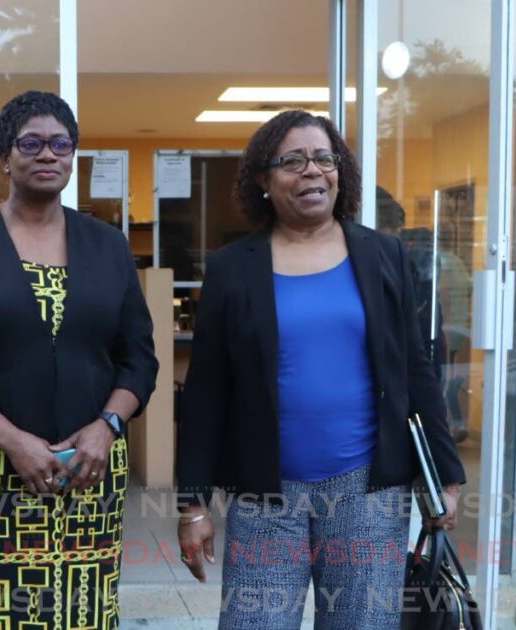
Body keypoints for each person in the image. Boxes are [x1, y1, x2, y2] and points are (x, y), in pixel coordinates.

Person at [175, 110, 466, 629]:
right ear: (263, 180)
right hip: (264, 494)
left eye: (323, 157)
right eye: (291, 160)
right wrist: (192, 505)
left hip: (368, 495)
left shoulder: (383, 255)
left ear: (340, 172)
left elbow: (416, 369)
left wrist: (445, 474)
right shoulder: (232, 267)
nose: (311, 170)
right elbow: (205, 392)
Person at [0, 91, 158, 629]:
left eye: (61, 143)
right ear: (5, 154)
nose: (48, 154)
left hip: (89, 472)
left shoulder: (107, 244)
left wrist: (107, 427)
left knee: (83, 612)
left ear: (73, 154)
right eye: (32, 143)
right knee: (4, 615)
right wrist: (13, 440)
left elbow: (138, 358)